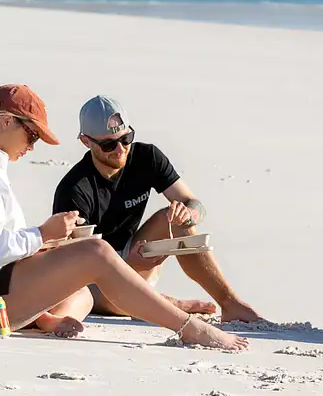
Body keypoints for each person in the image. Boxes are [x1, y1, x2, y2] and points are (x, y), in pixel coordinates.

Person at [0, 83, 248, 350]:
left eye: (125, 140)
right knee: (96, 252)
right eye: (32, 135)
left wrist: (44, 243)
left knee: (82, 281)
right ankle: (189, 328)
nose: (33, 146)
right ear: (7, 121)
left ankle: (46, 319)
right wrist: (43, 235)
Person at [52, 95, 261, 323]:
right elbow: (73, 264)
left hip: (140, 257)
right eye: (109, 145)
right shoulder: (75, 189)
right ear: (86, 141)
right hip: (98, 280)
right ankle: (168, 303)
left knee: (175, 217)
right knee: (88, 292)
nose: (121, 149)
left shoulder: (147, 157)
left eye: (126, 138)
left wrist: (189, 215)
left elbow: (195, 203)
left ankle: (230, 304)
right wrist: (124, 265)